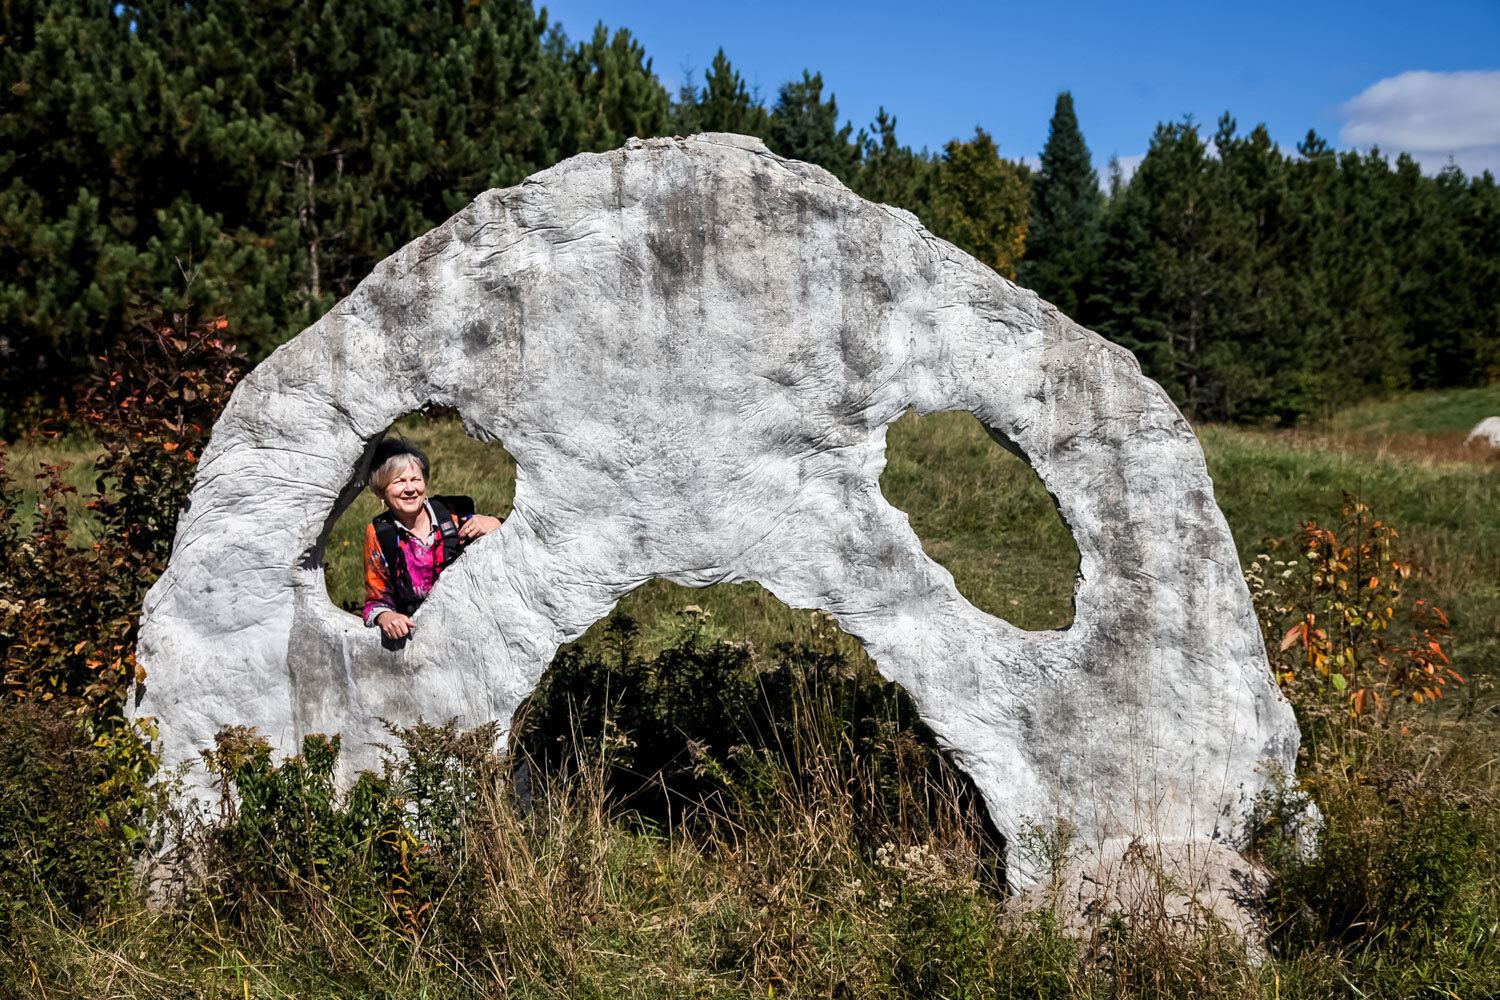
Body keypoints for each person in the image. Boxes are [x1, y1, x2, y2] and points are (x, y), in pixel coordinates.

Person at [363, 439, 502, 640]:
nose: (410, 489)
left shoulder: (453, 514)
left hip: (474, 628)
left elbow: (513, 545)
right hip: (420, 637)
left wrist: (496, 524)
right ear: (380, 492)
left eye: (416, 479)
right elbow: (376, 600)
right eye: (399, 482)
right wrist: (386, 617)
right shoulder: (381, 534)